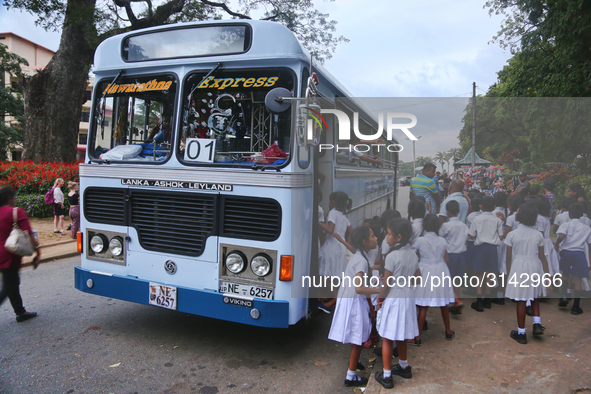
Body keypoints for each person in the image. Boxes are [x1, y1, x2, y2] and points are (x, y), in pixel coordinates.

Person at [328, 226, 380, 387]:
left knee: (356, 335)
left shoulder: (360, 256)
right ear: (365, 242)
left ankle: (354, 362)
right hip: (354, 302)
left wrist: (371, 307)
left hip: (352, 300)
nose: (376, 238)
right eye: (373, 236)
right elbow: (359, 288)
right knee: (357, 340)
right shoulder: (362, 261)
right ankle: (350, 377)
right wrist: (380, 290)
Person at [374, 219, 420, 389]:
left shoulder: (393, 256)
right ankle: (403, 366)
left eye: (389, 234)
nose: (386, 237)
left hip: (394, 298)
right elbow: (418, 278)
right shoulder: (413, 254)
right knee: (402, 333)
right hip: (407, 297)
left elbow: (386, 285)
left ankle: (386, 376)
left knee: (387, 337)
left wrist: (380, 300)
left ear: (398, 237)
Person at [505, 202, 551, 344]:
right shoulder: (538, 235)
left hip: (519, 267)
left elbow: (508, 258)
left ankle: (521, 333)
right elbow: (542, 257)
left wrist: (508, 275)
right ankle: (537, 323)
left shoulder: (512, 235)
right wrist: (547, 275)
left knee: (521, 300)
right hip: (535, 265)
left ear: (519, 216)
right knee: (535, 295)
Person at [411, 214, 455, 346]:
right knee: (443, 303)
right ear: (438, 226)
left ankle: (417, 337)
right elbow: (446, 259)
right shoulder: (442, 241)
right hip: (440, 270)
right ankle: (448, 331)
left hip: (424, 269)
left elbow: (413, 255)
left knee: (423, 304)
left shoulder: (420, 240)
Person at [0, 187, 41, 322]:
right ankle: (20, 311)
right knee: (9, 286)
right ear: (9, 198)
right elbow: (29, 233)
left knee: (12, 283)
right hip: (9, 254)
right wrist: (38, 252)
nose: (15, 199)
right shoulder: (16, 212)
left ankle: (20, 311)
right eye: (14, 197)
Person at [318, 191, 354, 312]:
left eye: (329, 201)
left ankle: (336, 297)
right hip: (341, 246)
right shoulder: (343, 214)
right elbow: (351, 230)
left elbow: (330, 229)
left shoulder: (333, 213)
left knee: (325, 274)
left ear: (333, 202)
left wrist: (317, 222)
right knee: (336, 274)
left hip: (331, 246)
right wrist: (345, 243)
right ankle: (336, 296)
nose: (328, 203)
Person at [469, 196, 504, 311]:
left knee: (479, 274)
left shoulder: (476, 219)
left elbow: (472, 235)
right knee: (489, 274)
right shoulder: (497, 220)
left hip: (481, 248)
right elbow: (501, 236)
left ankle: (479, 301)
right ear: (494, 207)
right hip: (493, 248)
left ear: (480, 206)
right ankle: (487, 300)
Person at [555, 203, 591, 315]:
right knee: (578, 279)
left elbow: (561, 236)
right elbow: (589, 244)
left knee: (564, 274)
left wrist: (557, 244)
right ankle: (576, 307)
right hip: (579, 253)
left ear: (569, 214)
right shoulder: (586, 228)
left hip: (566, 252)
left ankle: (564, 296)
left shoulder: (565, 225)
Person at [440, 200, 469, 313]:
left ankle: (455, 301)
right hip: (461, 255)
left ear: (447, 212)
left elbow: (440, 236)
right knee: (456, 280)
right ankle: (457, 300)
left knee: (448, 279)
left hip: (450, 255)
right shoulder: (463, 226)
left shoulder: (446, 226)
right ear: (459, 211)